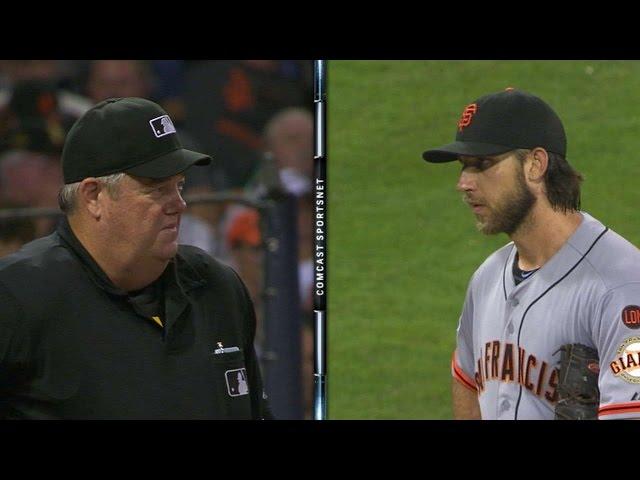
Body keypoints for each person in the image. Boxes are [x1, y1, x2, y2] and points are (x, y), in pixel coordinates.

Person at [0, 97, 272, 419]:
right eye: (157, 188)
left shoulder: (215, 287)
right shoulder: (18, 295)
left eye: (180, 185)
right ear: (94, 196)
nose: (179, 203)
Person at [423, 88, 640, 420]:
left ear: (535, 165)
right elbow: (466, 378)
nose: (464, 183)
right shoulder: (488, 277)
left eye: (482, 164)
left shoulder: (620, 286)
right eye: (463, 167)